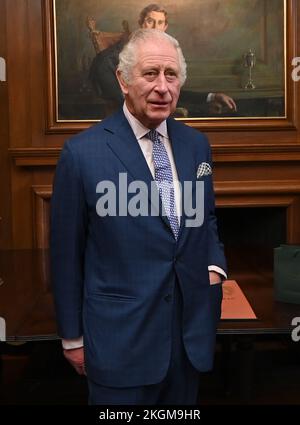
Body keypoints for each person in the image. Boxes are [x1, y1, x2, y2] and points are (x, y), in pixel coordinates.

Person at [51, 28, 227, 405]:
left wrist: (214, 266)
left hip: (188, 340)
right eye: (150, 74)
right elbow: (66, 254)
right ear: (123, 80)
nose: (163, 87)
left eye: (171, 75)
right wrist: (72, 338)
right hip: (119, 345)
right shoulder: (82, 154)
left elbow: (205, 218)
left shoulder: (196, 145)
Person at [138, 4, 237, 113]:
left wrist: (213, 97)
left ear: (165, 27)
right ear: (141, 24)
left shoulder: (170, 52)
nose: (155, 27)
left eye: (160, 23)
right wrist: (199, 109)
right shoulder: (128, 54)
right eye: (150, 21)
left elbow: (175, 93)